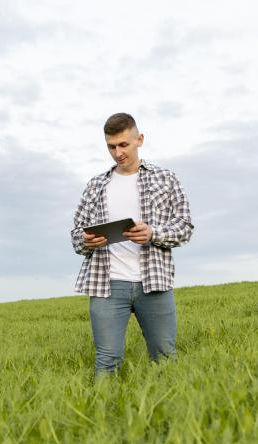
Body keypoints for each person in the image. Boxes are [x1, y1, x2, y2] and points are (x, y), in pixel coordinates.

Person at [70, 112, 194, 376]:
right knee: (107, 360)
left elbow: (185, 227)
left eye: (123, 145)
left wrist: (153, 234)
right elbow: (76, 237)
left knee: (164, 357)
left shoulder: (166, 178)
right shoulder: (95, 185)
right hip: (107, 284)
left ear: (139, 140)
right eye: (111, 147)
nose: (118, 153)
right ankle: (101, 413)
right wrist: (87, 241)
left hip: (154, 282)